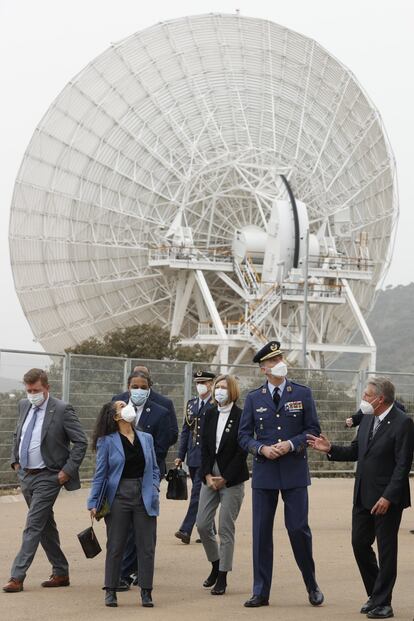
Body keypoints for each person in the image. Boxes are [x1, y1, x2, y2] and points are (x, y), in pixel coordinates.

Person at [308, 377, 414, 620]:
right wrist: (330, 449)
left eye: (367, 396)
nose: (363, 400)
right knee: (359, 544)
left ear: (381, 399)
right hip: (363, 495)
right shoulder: (367, 418)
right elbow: (357, 451)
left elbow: (402, 465)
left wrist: (388, 496)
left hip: (387, 499)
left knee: (387, 551)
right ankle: (376, 594)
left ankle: (384, 603)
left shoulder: (403, 423)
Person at [238, 341, 324, 608]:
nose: (279, 363)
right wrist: (260, 448)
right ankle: (260, 591)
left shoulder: (302, 393)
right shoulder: (254, 397)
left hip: (294, 471)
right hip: (265, 472)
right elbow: (243, 436)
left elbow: (312, 430)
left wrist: (291, 444)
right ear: (264, 368)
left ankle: (311, 585)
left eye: (280, 358)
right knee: (261, 532)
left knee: (298, 529)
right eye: (273, 361)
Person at [3, 368, 88, 593]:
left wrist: (67, 471)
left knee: (33, 525)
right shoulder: (24, 405)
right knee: (44, 525)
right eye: (29, 390)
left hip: (49, 476)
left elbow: (81, 442)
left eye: (36, 390)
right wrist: (15, 461)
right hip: (26, 475)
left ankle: (16, 576)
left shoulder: (62, 410)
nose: (32, 394)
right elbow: (18, 434)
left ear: (47, 388)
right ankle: (60, 572)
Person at [88, 400, 160, 608]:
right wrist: (93, 502)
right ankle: (110, 590)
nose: (127, 406)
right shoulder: (107, 441)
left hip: (144, 496)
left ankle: (146, 591)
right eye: (121, 406)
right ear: (115, 416)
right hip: (118, 496)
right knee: (116, 545)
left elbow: (154, 468)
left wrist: (154, 486)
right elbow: (100, 474)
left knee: (146, 546)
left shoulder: (146, 438)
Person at [111, 370, 169, 589]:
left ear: (149, 388)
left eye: (143, 387)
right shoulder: (117, 406)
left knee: (143, 529)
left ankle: (137, 575)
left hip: (146, 476)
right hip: (121, 481)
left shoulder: (161, 411)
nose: (139, 390)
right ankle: (125, 572)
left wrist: (152, 474)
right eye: (135, 386)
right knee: (123, 532)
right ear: (128, 387)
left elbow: (167, 438)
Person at [196, 374, 248, 595]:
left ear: (232, 391)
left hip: (232, 478)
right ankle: (215, 564)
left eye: (224, 388)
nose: (219, 391)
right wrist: (207, 474)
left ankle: (223, 576)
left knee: (226, 527)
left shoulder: (242, 416)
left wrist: (225, 477)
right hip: (210, 476)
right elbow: (204, 447)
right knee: (202, 523)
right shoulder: (209, 413)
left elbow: (241, 450)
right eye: (217, 387)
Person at [174, 370, 215, 544]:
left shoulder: (216, 404)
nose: (200, 386)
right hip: (192, 455)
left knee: (197, 492)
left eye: (204, 382)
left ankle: (186, 529)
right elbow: (185, 431)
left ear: (211, 384)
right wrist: (180, 455)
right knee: (205, 492)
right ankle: (210, 529)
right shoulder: (191, 404)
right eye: (198, 382)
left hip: (208, 456)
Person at [113, 364, 179, 450]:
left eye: (143, 375)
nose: (139, 390)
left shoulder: (163, 404)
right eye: (135, 386)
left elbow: (172, 434)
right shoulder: (118, 401)